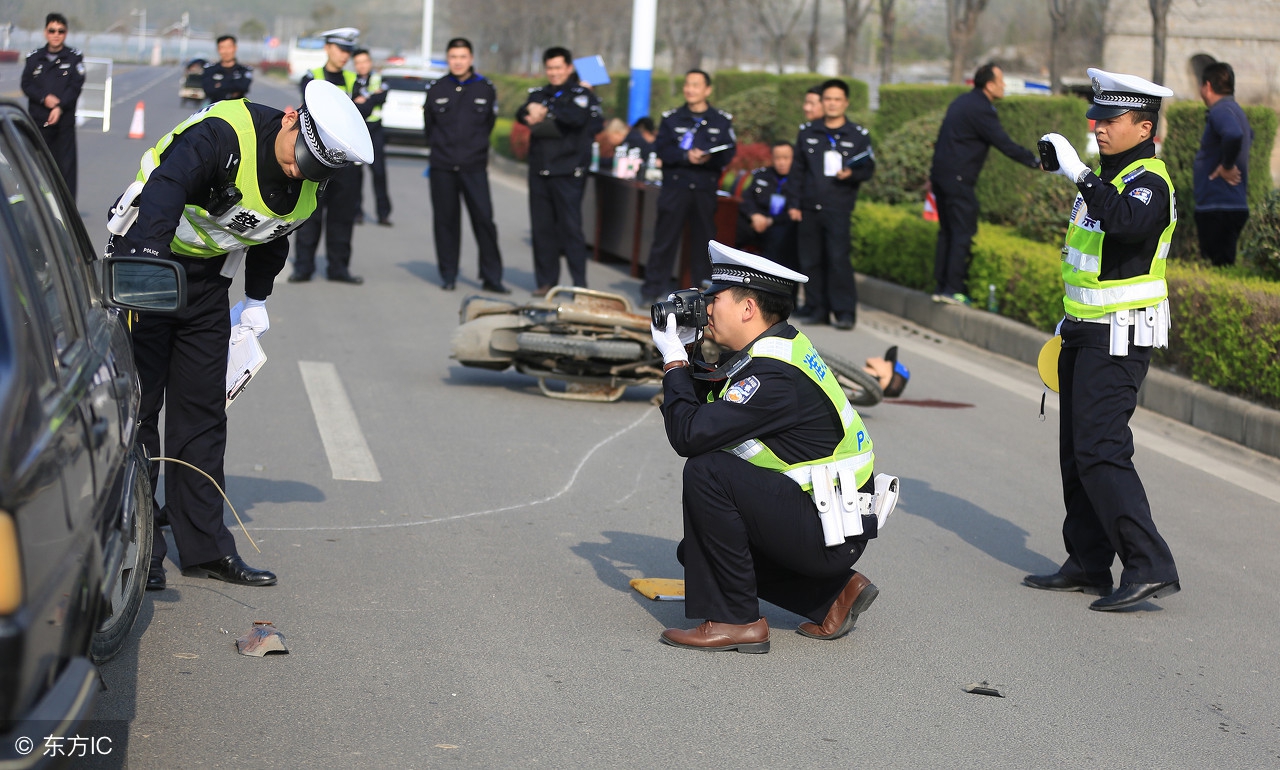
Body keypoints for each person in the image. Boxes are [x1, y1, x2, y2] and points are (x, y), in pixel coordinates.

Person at [104, 79, 373, 589]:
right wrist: (148, 264)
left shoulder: (308, 183)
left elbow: (273, 234)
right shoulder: (225, 132)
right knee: (139, 407)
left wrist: (256, 299)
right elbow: (166, 186)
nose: (298, 173)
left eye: (313, 172)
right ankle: (142, 548)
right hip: (148, 256)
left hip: (205, 281)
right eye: (299, 160)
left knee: (203, 414)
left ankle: (204, 546)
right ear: (293, 118)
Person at [650, 241, 892, 653]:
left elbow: (689, 436)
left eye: (715, 298)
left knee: (708, 470)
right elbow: (713, 412)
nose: (705, 307)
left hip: (829, 529)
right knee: (697, 553)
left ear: (747, 309)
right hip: (827, 515)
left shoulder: (772, 375)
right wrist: (688, 353)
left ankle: (736, 621)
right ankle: (833, 594)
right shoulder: (776, 347)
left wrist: (673, 361)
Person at [1028, 68, 1181, 612]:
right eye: (1096, 117)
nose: (1098, 127)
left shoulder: (1149, 181)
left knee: (1102, 450)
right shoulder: (1107, 177)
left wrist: (1078, 175)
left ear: (1143, 127)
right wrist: (1066, 322)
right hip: (1084, 331)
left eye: (1111, 119)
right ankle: (1089, 560)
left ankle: (1149, 564)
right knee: (1077, 453)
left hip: (1119, 339)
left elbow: (1125, 227)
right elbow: (1088, 262)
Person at [929, 63, 1040, 306]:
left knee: (948, 231)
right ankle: (953, 289)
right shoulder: (980, 109)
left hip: (942, 177)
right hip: (958, 180)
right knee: (962, 232)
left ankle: (941, 286)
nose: (1004, 86)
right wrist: (1034, 161)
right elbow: (1003, 142)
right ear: (989, 85)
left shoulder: (963, 101)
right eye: (1001, 81)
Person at [639, 70, 736, 302]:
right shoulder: (672, 118)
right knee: (664, 240)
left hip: (704, 189)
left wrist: (708, 157)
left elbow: (729, 152)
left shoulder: (721, 120)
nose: (690, 89)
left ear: (707, 90)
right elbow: (662, 148)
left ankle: (701, 297)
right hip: (675, 188)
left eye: (696, 85)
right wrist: (685, 156)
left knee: (704, 244)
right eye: (687, 84)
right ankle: (651, 291)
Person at [787, 78, 874, 331]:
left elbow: (868, 168)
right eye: (828, 99)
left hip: (838, 207)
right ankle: (817, 309)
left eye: (837, 100)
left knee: (838, 259)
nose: (833, 104)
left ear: (845, 102)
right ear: (822, 102)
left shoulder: (858, 135)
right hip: (809, 207)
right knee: (810, 260)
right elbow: (797, 172)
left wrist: (852, 175)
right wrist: (794, 203)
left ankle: (844, 312)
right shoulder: (808, 132)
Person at [516, 46, 604, 293]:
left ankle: (579, 285)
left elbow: (575, 117)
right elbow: (521, 112)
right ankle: (546, 281)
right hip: (540, 169)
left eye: (558, 68)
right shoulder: (539, 93)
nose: (554, 73)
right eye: (550, 68)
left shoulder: (581, 93)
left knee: (570, 229)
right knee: (542, 228)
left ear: (568, 68)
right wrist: (529, 112)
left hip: (569, 171)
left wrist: (546, 111)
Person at [423, 37, 507, 293]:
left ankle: (492, 277)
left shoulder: (485, 89)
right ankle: (448, 274)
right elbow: (430, 128)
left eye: (462, 57)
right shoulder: (436, 89)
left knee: (484, 220)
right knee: (446, 222)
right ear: (448, 59)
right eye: (453, 57)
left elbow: (488, 124)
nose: (458, 62)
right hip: (443, 167)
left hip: (474, 167)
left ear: (471, 59)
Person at [290, 27, 366, 285]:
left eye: (349, 51)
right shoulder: (313, 77)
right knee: (310, 215)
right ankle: (303, 267)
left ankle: (338, 268)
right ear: (328, 48)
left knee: (343, 217)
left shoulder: (355, 79)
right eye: (341, 49)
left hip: (347, 162)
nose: (345, 55)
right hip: (318, 161)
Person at [1194, 61, 1252, 267]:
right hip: (1229, 203)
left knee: (1216, 267)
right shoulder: (1235, 110)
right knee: (1224, 265)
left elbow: (1233, 134)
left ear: (1207, 86)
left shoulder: (1221, 111)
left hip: (1218, 205)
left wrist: (1226, 166)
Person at [21, 13, 84, 199]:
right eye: (52, 30)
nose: (56, 34)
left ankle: (66, 210)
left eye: (60, 31)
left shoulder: (73, 58)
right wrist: (44, 98)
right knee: (36, 167)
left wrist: (59, 106)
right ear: (45, 32)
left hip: (63, 123)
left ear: (65, 33)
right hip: (39, 122)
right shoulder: (34, 58)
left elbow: (75, 86)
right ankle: (35, 204)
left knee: (66, 169)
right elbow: (26, 84)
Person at [736, 141, 798, 274]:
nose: (781, 162)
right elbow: (746, 199)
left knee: (782, 235)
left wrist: (771, 221)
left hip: (781, 225)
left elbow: (796, 210)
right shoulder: (761, 175)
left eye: (786, 158)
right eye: (777, 158)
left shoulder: (799, 181)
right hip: (756, 221)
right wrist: (754, 215)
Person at [352, 48, 392, 227]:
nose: (362, 65)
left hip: (375, 130)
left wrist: (363, 98)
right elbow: (350, 100)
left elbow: (381, 96)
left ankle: (383, 214)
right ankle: (356, 212)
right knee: (354, 174)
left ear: (370, 62)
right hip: (357, 130)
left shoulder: (379, 79)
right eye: (358, 62)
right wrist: (368, 97)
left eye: (364, 61)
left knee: (379, 173)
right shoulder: (351, 80)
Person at [201, 35, 253, 103]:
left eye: (229, 47)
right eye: (222, 47)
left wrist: (220, 85)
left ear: (235, 48)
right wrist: (233, 85)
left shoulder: (244, 70)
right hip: (215, 107)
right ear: (218, 50)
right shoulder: (210, 69)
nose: (226, 51)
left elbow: (243, 87)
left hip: (236, 107)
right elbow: (208, 90)